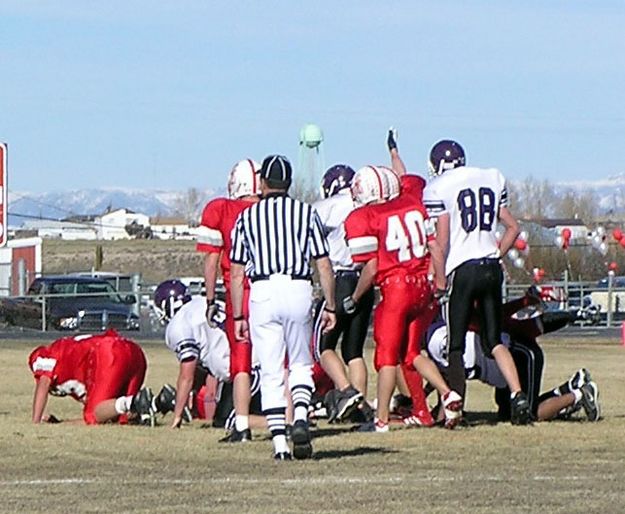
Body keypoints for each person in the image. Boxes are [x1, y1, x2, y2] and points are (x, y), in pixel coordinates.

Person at [343, 156, 462, 433]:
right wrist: (440, 284)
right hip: (423, 286)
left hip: (396, 289)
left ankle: (381, 420)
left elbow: (371, 268)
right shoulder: (413, 204)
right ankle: (447, 393)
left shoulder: (367, 216)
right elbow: (434, 248)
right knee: (412, 352)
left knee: (386, 358)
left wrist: (355, 298)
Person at [230, 154, 336, 460]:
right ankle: (300, 416)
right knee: (301, 362)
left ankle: (279, 445)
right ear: (289, 183)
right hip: (298, 287)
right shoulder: (305, 213)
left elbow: (237, 273)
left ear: (262, 183)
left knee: (271, 370)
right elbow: (324, 264)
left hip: (262, 290)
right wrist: (330, 305)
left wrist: (238, 314)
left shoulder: (247, 217)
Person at [423, 139, 532, 425]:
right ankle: (518, 394)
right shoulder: (491, 177)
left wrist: (440, 279)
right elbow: (513, 227)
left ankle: (454, 409)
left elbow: (443, 240)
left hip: (462, 269)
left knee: (455, 344)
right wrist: (497, 254)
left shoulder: (439, 187)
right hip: (490, 267)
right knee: (493, 340)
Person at [195, 159, 261, 442]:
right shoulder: (276, 209)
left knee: (242, 362)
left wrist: (210, 299)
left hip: (241, 292)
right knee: (280, 361)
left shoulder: (221, 209)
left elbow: (212, 260)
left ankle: (243, 423)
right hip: (278, 289)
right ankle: (293, 420)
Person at [153, 279, 267, 433]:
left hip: (248, 367)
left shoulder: (178, 325)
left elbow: (187, 375)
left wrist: (177, 417)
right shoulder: (200, 303)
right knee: (221, 420)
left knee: (233, 420)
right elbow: (202, 368)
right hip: (240, 366)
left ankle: (284, 422)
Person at [311, 164, 374, 423]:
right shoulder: (366, 206)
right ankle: (359, 409)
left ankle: (347, 392)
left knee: (322, 346)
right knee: (354, 351)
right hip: (365, 282)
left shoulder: (326, 208)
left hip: (339, 281)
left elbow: (309, 244)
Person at [28, 329, 155, 426]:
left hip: (108, 352)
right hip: (134, 351)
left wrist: (36, 421)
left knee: (94, 413)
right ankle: (159, 402)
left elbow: (43, 384)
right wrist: (61, 423)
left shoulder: (48, 354)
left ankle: (135, 401)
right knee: (121, 416)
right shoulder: (74, 365)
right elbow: (100, 417)